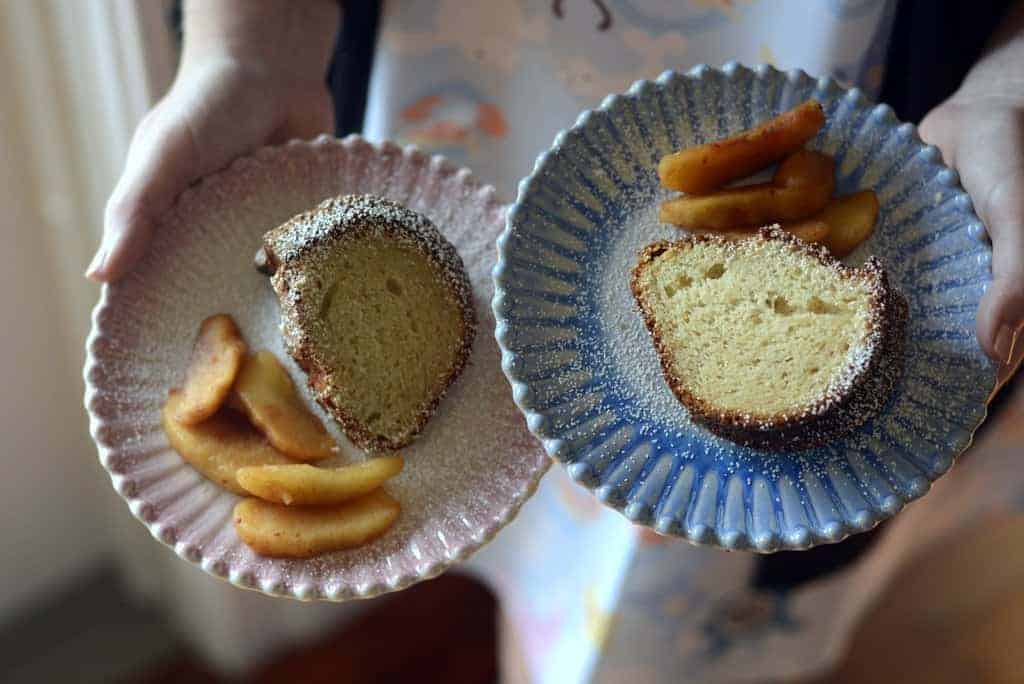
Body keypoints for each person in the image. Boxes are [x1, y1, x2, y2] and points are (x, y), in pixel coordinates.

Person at [86, 2, 1024, 681]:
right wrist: (250, 44)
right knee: (520, 525)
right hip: (455, 81)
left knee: (699, 592)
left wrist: (1009, 85)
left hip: (881, 85)